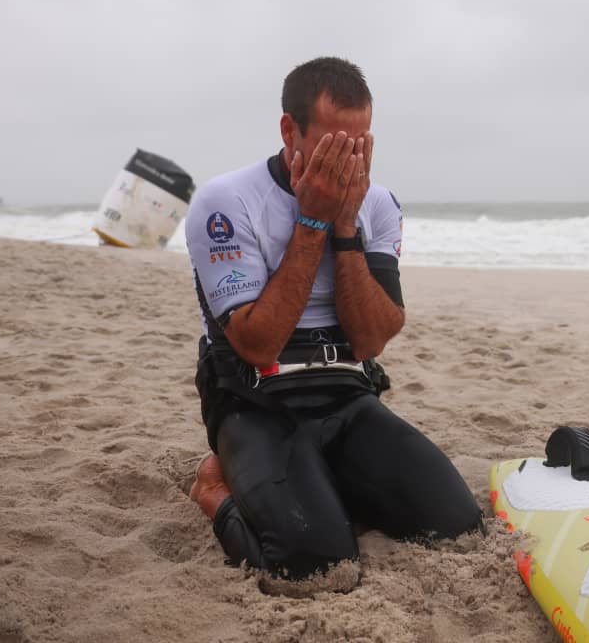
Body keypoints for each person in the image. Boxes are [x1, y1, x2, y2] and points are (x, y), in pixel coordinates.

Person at [185, 57, 482, 582]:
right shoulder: (225, 201)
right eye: (333, 144)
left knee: (456, 526)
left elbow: (370, 340)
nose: (350, 160)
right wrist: (312, 220)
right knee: (313, 565)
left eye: (361, 143)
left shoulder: (379, 204)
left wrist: (346, 224)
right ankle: (214, 486)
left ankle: (324, 479)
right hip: (255, 400)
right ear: (288, 130)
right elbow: (257, 343)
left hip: (345, 393)